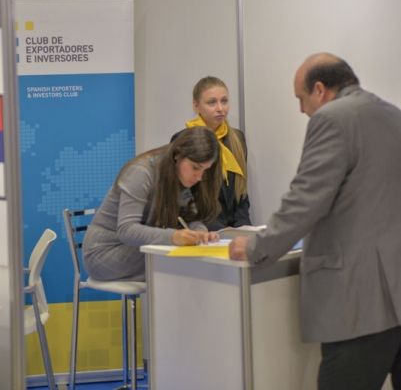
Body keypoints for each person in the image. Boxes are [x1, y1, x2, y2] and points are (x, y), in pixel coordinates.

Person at [229, 53, 401, 390]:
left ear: (319, 90)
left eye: (301, 98)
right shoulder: (392, 114)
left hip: (360, 300)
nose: (301, 109)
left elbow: (305, 199)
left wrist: (256, 247)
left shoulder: (332, 118)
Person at [82, 127, 221, 282]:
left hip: (135, 249)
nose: (199, 177)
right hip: (103, 254)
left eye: (205, 170)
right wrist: (173, 236)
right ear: (177, 154)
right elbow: (126, 230)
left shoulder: (179, 175)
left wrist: (200, 233)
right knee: (179, 262)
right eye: (195, 167)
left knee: (183, 261)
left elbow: (190, 218)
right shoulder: (141, 172)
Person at [171, 76, 251, 231]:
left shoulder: (237, 138)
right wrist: (217, 230)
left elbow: (241, 191)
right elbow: (183, 196)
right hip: (202, 229)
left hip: (235, 229)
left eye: (224, 101)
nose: (220, 108)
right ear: (196, 106)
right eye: (212, 103)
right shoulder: (182, 140)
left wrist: (242, 226)